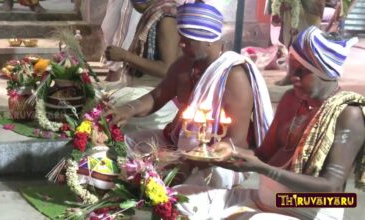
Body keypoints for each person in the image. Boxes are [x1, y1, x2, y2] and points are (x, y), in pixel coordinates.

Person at [175, 26, 365, 220]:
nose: (293, 77)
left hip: (305, 211)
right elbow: (263, 155)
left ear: (327, 74)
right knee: (178, 197)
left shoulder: (349, 113)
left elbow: (332, 188)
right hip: (262, 201)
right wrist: (229, 155)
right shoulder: (290, 99)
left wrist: (262, 169)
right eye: (291, 67)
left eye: (303, 71)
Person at [106, 2, 274, 189]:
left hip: (221, 158)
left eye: (188, 40)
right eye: (181, 38)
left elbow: (235, 140)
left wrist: (190, 162)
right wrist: (127, 109)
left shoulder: (234, 77)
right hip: (177, 141)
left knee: (187, 191)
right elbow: (156, 97)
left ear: (208, 39)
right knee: (118, 147)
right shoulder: (185, 65)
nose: (181, 44)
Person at [101, 0, 181, 134]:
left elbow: (168, 69)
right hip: (146, 94)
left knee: (105, 110)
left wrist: (125, 56)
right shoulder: (155, 12)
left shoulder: (166, 18)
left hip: (157, 99)